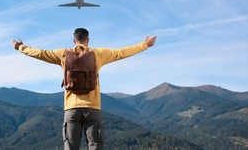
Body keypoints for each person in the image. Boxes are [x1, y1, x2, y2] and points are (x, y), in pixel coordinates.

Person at [11, 28, 157, 150]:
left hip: (71, 109)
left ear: (74, 41)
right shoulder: (98, 54)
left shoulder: (63, 54)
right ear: (88, 40)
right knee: (94, 146)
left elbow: (41, 53)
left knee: (71, 146)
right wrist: (145, 45)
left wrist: (20, 47)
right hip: (93, 109)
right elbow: (121, 52)